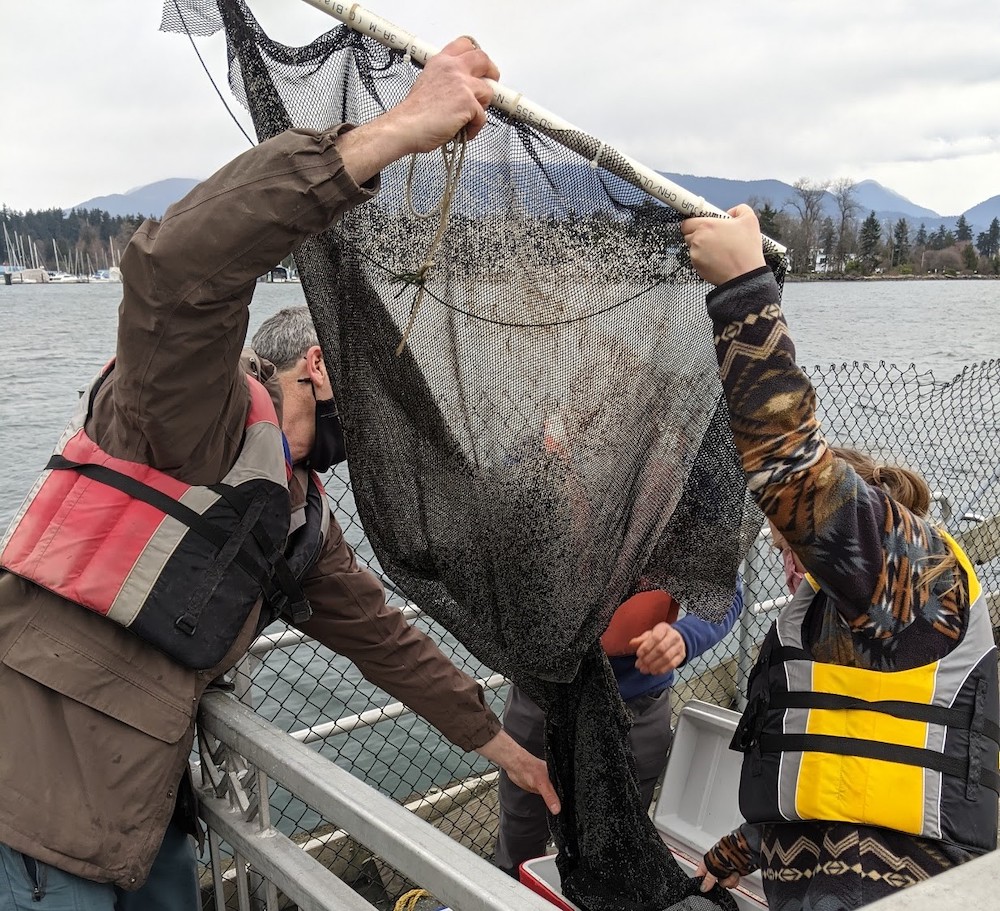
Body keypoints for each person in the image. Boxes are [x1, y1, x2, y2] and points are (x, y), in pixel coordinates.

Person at [0, 38, 559, 910]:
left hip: (143, 813)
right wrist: (397, 131)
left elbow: (382, 638)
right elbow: (171, 271)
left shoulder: (295, 513)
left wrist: (501, 744)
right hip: (32, 813)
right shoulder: (193, 411)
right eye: (368, 387)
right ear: (316, 366)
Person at [681, 206, 999, 910]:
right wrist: (738, 851)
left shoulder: (917, 581)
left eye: (797, 536)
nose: (786, 551)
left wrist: (743, 292)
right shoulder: (815, 619)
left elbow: (791, 473)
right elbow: (829, 781)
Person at [493, 581, 744, 877]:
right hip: (540, 693)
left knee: (620, 845)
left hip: (638, 703)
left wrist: (684, 637)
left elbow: (725, 593)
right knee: (521, 830)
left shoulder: (681, 532)